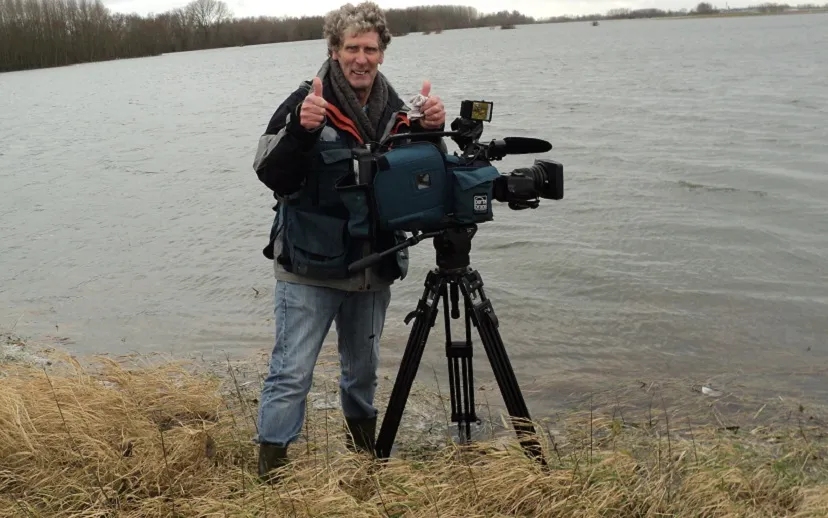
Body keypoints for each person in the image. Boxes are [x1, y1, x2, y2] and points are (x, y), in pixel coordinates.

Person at [251, 1, 446, 482]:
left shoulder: (400, 111)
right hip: (307, 270)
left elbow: (423, 180)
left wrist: (431, 132)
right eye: (352, 48)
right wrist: (301, 132)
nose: (361, 58)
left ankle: (364, 465)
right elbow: (270, 174)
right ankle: (270, 479)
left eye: (370, 49)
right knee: (291, 373)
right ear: (334, 50)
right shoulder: (303, 103)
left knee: (362, 375)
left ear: (382, 53)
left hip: (373, 267)